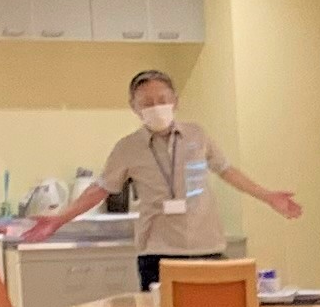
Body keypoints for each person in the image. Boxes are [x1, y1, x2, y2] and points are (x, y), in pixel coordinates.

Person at [20, 66, 303, 286]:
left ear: (175, 101)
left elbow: (226, 170)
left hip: (207, 248)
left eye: (162, 100)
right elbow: (101, 189)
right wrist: (60, 219)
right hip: (159, 254)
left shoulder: (197, 135)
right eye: (146, 103)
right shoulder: (128, 148)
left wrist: (268, 196)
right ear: (134, 108)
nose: (155, 107)